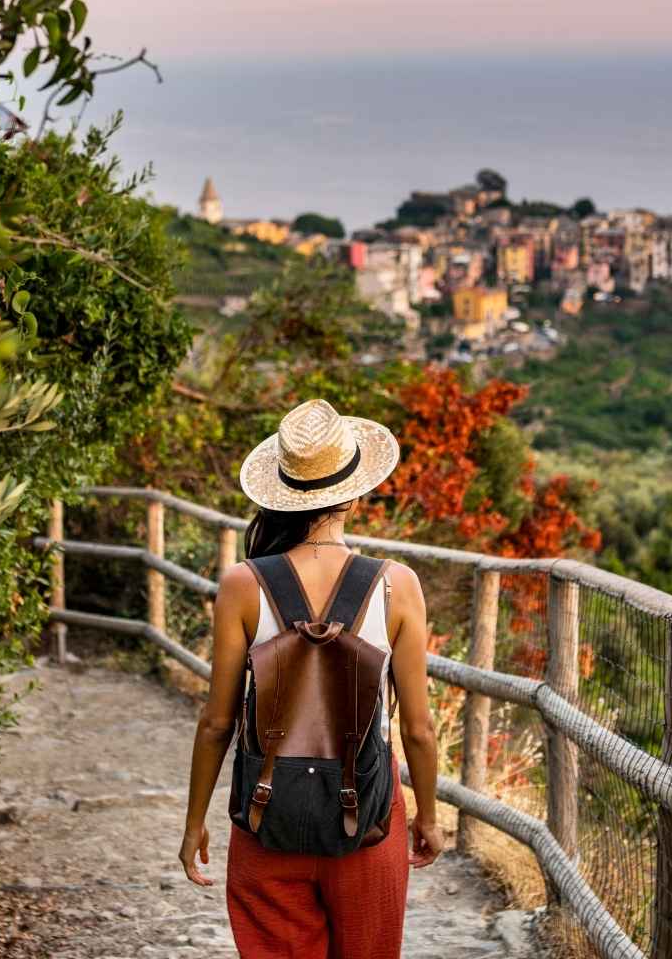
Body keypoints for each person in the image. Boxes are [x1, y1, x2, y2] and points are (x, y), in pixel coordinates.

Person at [176, 399, 446, 958]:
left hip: (266, 815)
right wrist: (429, 816)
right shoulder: (397, 585)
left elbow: (216, 723)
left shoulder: (242, 584)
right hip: (369, 818)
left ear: (282, 492)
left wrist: (195, 821)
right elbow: (417, 728)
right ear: (354, 493)